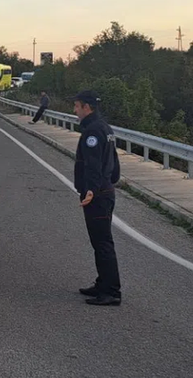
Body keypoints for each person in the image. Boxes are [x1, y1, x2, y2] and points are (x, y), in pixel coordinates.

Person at [72, 90, 122, 306]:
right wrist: (110, 182)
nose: (74, 111)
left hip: (98, 194)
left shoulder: (92, 132)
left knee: (102, 243)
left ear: (86, 107)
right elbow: (114, 162)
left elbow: (93, 164)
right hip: (106, 190)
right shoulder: (105, 128)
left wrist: (91, 190)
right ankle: (102, 283)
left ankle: (111, 291)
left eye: (76, 106)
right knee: (99, 242)